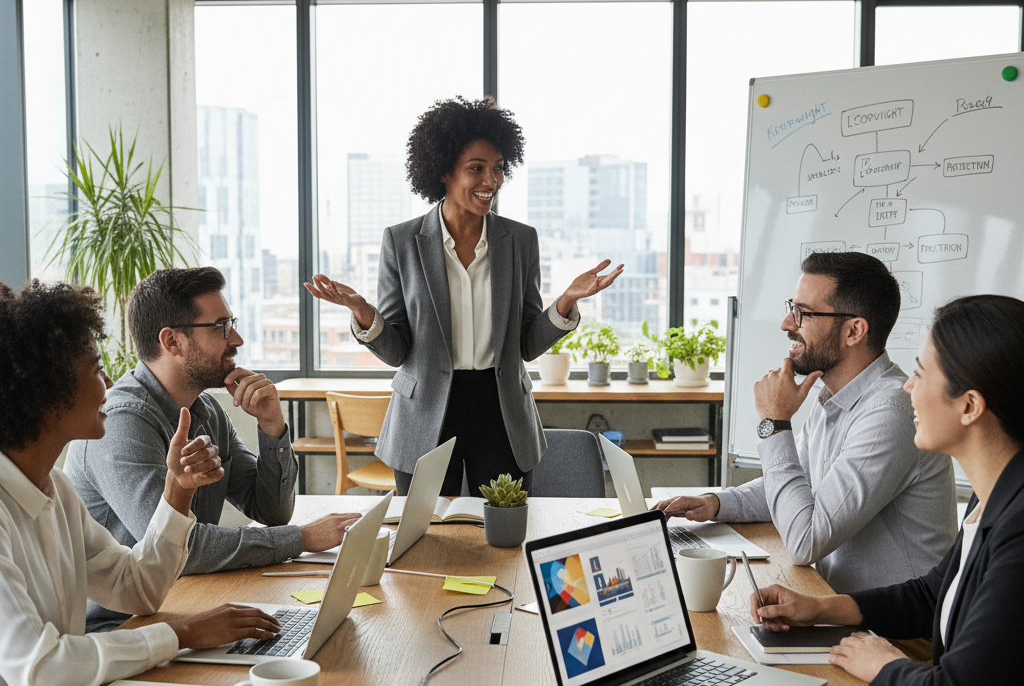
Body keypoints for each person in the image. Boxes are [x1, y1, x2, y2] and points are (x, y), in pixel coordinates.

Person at [751, 295, 1024, 686]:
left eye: (920, 373)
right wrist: (821, 610)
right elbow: (931, 593)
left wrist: (883, 664)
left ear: (969, 406)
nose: (907, 387)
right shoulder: (993, 494)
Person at [305, 96, 623, 496]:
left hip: (502, 411)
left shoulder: (520, 241)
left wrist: (564, 304)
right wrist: (365, 313)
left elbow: (525, 344)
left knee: (502, 538)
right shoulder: (402, 242)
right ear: (443, 171)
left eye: (498, 169)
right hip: (426, 416)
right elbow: (397, 351)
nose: (491, 181)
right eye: (477, 169)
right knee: (426, 541)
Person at [0, 281, 281, 686]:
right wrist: (183, 632)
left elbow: (138, 588)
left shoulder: (55, 490)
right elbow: (40, 667)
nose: (108, 383)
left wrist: (178, 490)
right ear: (47, 392)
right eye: (95, 369)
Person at [65, 266, 359, 633]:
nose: (236, 338)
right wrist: (302, 538)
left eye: (231, 323)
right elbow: (184, 550)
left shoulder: (206, 410)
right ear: (172, 342)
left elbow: (271, 511)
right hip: (123, 629)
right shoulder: (121, 422)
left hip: (187, 604)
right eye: (220, 326)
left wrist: (271, 427)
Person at [655, 252, 956, 592]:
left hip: (899, 636)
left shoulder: (889, 413)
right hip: (844, 609)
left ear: (854, 330)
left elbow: (804, 541)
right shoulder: (832, 395)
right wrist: (717, 503)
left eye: (803, 313)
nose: (787, 323)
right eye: (791, 307)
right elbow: (795, 485)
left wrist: (775, 421)